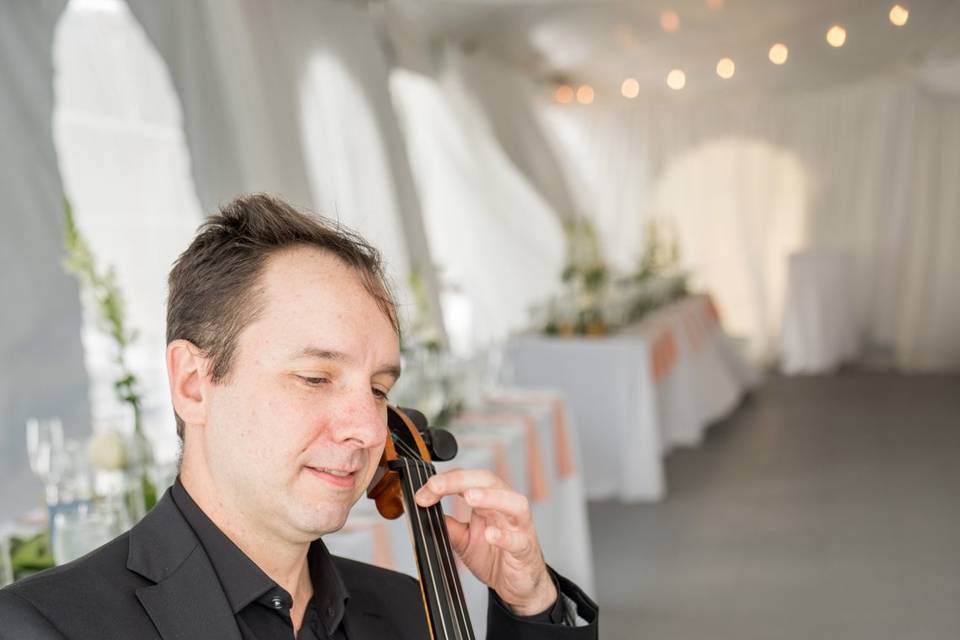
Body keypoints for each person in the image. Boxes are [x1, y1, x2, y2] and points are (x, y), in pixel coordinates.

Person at [0, 195, 598, 639]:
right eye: (315, 378)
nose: (367, 429)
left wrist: (530, 604)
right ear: (193, 384)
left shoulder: (402, 607)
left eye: (379, 388)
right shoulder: (46, 626)